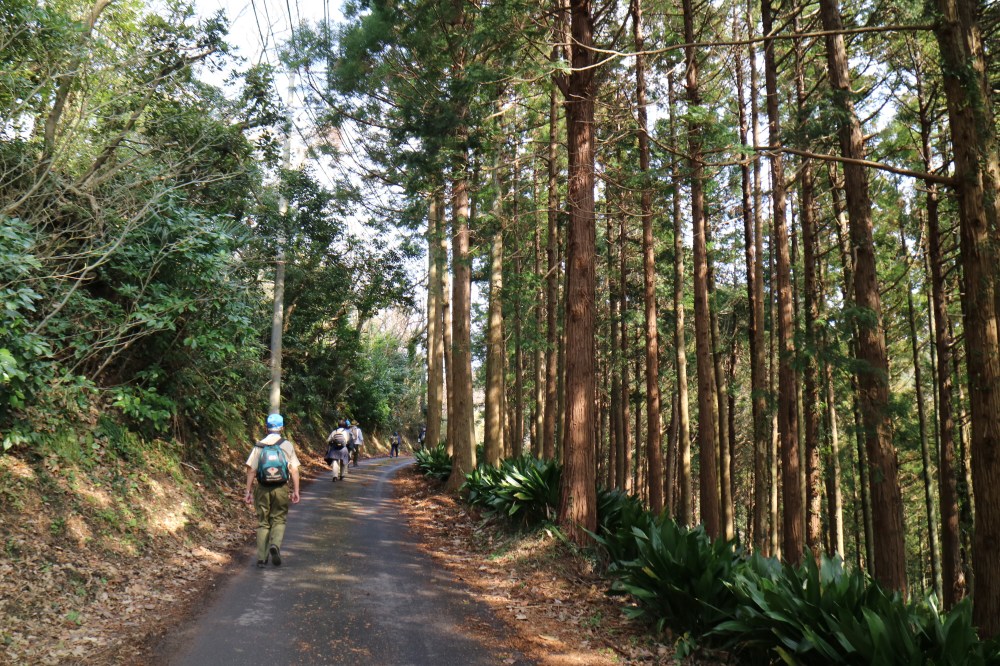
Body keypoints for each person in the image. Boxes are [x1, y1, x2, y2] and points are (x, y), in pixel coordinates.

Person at [244, 413, 301, 568]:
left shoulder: (259, 445)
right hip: (281, 488)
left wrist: (248, 491)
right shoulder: (287, 445)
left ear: (266, 427)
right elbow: (294, 470)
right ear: (282, 428)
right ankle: (275, 544)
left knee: (263, 522)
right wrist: (296, 490)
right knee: (279, 519)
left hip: (262, 488)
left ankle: (261, 559)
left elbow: (251, 470)